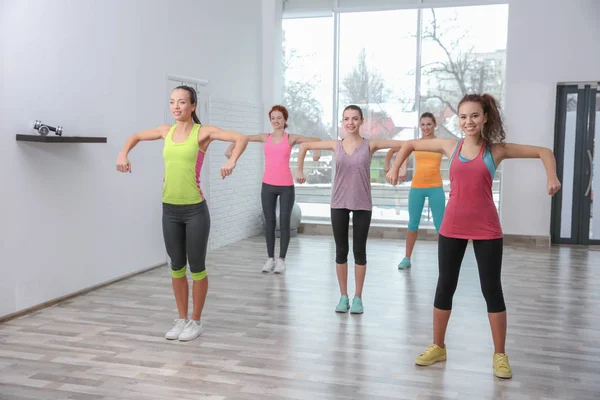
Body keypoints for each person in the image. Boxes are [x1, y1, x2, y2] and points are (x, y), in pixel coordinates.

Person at [386, 93, 561, 379]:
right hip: (452, 226)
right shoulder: (448, 146)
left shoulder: (496, 150)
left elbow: (544, 151)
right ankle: (438, 346)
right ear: (459, 119)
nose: (469, 121)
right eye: (464, 116)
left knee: (491, 289)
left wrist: (551, 176)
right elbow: (409, 144)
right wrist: (395, 166)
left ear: (485, 118)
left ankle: (500, 354)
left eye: (474, 116)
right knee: (445, 286)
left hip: (486, 228)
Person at [116, 85, 249, 342]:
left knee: (196, 268)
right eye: (172, 102)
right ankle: (181, 319)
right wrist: (123, 153)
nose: (176, 106)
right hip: (169, 210)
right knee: (176, 267)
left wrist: (232, 160)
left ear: (192, 106)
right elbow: (135, 136)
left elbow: (240, 138)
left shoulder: (203, 133)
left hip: (195, 211)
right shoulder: (166, 132)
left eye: (182, 102)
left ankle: (196, 321)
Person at [296, 105, 406, 314]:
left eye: (355, 119)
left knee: (359, 251)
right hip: (338, 203)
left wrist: (394, 166)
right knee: (341, 251)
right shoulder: (335, 144)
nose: (350, 123)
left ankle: (358, 298)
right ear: (342, 121)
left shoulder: (370, 145)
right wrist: (300, 169)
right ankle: (343, 296)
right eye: (346, 119)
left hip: (363, 203)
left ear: (362, 121)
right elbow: (305, 146)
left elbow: (403, 144)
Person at [225, 105, 321, 274]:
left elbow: (315, 139)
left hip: (286, 186)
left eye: (279, 118)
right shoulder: (265, 137)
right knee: (269, 223)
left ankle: (281, 260)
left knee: (284, 223)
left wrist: (317, 152)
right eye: (273, 118)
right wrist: (231, 148)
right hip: (267, 185)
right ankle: (270, 258)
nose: (276, 121)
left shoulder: (290, 138)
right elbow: (244, 138)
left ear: (285, 120)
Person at [384, 112, 445, 269]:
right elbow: (394, 151)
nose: (425, 127)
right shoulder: (415, 143)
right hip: (417, 187)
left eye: (429, 124)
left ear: (434, 125)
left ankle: (446, 260)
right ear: (420, 126)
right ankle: (407, 258)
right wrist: (395, 168)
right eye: (423, 124)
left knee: (441, 226)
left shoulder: (440, 143)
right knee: (413, 223)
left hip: (436, 187)